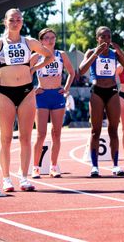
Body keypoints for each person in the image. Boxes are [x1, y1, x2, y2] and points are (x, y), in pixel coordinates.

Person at [0, 8, 53, 192]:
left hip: (26, 92)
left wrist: (33, 68)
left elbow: (50, 55)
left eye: (18, 19)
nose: (15, 22)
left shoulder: (29, 42)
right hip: (5, 92)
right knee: (5, 138)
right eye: (12, 19)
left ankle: (24, 178)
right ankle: (6, 179)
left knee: (25, 137)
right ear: (5, 22)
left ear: (22, 22)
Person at [78, 26, 124, 177]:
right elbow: (81, 70)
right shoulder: (91, 51)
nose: (106, 40)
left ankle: (116, 165)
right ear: (97, 39)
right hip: (97, 92)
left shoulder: (114, 54)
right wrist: (95, 54)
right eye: (103, 37)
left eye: (108, 37)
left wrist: (120, 52)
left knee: (113, 130)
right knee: (95, 131)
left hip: (112, 92)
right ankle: (94, 167)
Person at [31, 28, 75, 179]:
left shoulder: (61, 55)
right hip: (42, 96)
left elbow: (72, 72)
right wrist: (32, 90)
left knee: (56, 133)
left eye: (53, 38)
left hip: (57, 96)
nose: (50, 40)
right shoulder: (36, 56)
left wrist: (66, 89)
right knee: (41, 134)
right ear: (41, 41)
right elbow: (24, 72)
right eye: (47, 38)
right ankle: (36, 167)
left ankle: (53, 167)